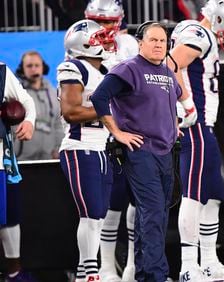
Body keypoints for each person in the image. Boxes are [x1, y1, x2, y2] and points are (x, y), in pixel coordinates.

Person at [166, 0, 224, 281]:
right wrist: (186, 103)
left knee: (212, 195)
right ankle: (189, 266)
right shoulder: (199, 34)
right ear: (218, 19)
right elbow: (170, 64)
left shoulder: (198, 34)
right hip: (196, 123)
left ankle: (210, 262)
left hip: (206, 126)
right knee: (194, 195)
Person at [90, 21, 180, 282]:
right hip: (141, 151)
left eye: (163, 41)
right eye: (153, 40)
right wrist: (117, 132)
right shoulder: (128, 68)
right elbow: (99, 97)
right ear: (141, 43)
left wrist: (174, 127)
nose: (158, 45)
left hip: (165, 152)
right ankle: (156, 276)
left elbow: (172, 101)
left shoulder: (167, 73)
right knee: (152, 213)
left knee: (155, 215)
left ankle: (143, 274)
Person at [57, 19, 115, 282]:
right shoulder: (73, 67)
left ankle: (83, 274)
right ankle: (92, 274)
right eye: (100, 37)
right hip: (80, 148)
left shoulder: (104, 71)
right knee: (91, 214)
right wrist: (110, 112)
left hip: (101, 148)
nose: (105, 42)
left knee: (99, 216)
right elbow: (70, 112)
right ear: (86, 43)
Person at [85, 1, 139, 280]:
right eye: (98, 21)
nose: (104, 28)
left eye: (108, 22)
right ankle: (106, 266)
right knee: (110, 201)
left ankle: (132, 264)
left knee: (136, 199)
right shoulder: (82, 43)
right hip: (102, 132)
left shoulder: (129, 44)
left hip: (133, 127)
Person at [0, 63, 36, 282]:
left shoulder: (1, 71)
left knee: (9, 216)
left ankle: (14, 271)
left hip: (0, 159)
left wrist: (29, 121)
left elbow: (26, 101)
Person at [13, 51, 63, 161]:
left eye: (37, 65)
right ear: (22, 69)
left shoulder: (52, 92)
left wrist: (58, 148)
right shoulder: (15, 92)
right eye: (29, 66)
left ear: (43, 67)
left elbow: (58, 123)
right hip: (21, 159)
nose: (33, 69)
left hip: (48, 158)